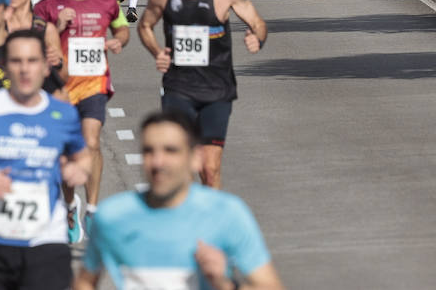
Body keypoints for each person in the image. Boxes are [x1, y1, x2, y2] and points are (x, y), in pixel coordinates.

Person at [0, 29, 92, 290]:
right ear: (3, 65)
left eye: (32, 61)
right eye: (16, 61)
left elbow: (84, 156)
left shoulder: (64, 114)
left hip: (47, 242)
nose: (24, 69)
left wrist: (80, 170)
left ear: (46, 67)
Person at [77, 110, 284, 290]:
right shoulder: (113, 216)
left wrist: (226, 284)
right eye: (149, 151)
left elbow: (270, 285)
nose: (158, 162)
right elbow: (85, 281)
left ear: (195, 158)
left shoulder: (227, 213)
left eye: (171, 150)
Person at [136, 0, 266, 189]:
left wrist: (257, 37)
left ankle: (207, 227)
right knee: (179, 167)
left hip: (217, 89)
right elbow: (145, 25)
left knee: (209, 168)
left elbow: (258, 23)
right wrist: (157, 52)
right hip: (178, 88)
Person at [33, 0, 127, 237]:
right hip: (59, 89)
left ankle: (93, 208)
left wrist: (117, 41)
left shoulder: (107, 2)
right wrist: (56, 27)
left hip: (93, 84)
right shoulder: (47, 6)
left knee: (91, 141)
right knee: (66, 154)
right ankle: (70, 202)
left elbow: (122, 29)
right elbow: (34, 38)